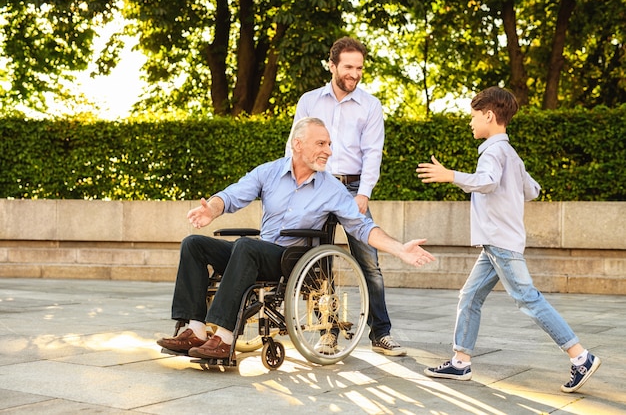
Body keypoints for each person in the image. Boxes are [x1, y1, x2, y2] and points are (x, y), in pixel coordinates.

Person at [157, 117, 436, 360]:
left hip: (288, 259)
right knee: (194, 244)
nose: (328, 151)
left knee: (245, 246)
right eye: (321, 144)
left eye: (329, 144)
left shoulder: (332, 189)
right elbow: (233, 195)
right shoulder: (269, 171)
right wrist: (212, 209)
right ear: (298, 144)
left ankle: (224, 338)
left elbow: (362, 227)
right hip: (255, 252)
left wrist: (399, 249)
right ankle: (195, 329)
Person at [415, 86, 601, 393]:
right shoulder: (509, 154)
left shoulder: (494, 151)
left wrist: (452, 175)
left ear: (489, 115)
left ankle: (580, 356)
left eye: (473, 116)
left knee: (528, 298)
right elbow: (533, 190)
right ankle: (460, 363)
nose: (470, 123)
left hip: (500, 242)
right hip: (495, 242)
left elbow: (487, 182)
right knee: (470, 296)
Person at [284, 37, 405, 356]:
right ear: (332, 65)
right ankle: (327, 331)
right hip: (316, 186)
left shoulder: (370, 105)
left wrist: (363, 193)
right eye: (348, 67)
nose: (354, 73)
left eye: (359, 68)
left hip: (352, 189)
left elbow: (373, 153)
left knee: (369, 262)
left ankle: (381, 333)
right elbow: (294, 146)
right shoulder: (309, 101)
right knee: (316, 262)